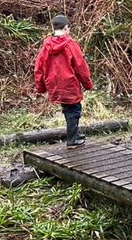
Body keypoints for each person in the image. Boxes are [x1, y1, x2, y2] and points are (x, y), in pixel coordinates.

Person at [34, 13, 93, 148]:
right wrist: (87, 84)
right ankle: (72, 140)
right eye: (68, 28)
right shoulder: (71, 45)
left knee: (68, 108)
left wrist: (41, 87)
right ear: (66, 28)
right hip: (69, 83)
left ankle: (75, 134)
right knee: (74, 109)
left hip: (54, 84)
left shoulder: (45, 47)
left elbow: (38, 68)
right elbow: (81, 66)